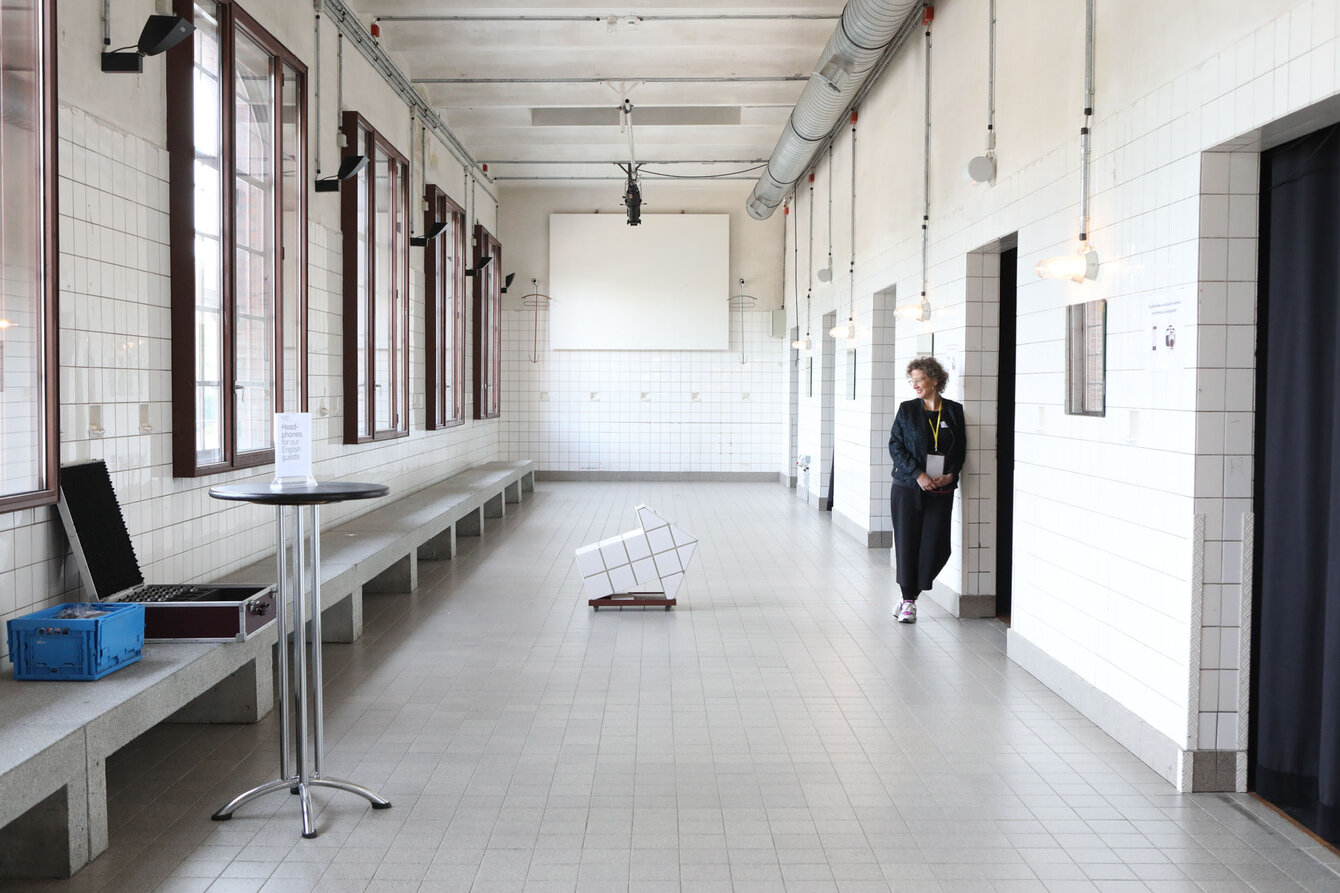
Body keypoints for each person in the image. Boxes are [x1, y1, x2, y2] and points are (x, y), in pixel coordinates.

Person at [887, 356, 967, 623]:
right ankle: (909, 599)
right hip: (908, 487)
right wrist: (917, 473)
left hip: (940, 489)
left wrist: (951, 475)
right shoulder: (907, 409)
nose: (915, 386)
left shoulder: (954, 411)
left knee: (937, 545)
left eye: (919, 380)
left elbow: (960, 449)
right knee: (907, 542)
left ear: (935, 380)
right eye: (912, 381)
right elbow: (895, 446)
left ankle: (911, 594)